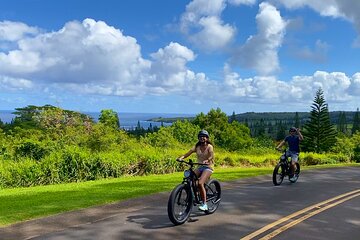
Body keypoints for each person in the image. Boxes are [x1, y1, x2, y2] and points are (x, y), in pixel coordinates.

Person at [177, 129, 215, 211]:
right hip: (199, 167)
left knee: (200, 182)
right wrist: (181, 158)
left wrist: (207, 160)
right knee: (191, 179)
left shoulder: (209, 146)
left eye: (204, 137)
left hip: (208, 167)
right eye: (200, 136)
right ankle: (195, 194)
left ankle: (204, 204)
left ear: (207, 138)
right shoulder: (196, 147)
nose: (202, 138)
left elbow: (211, 156)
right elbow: (187, 153)